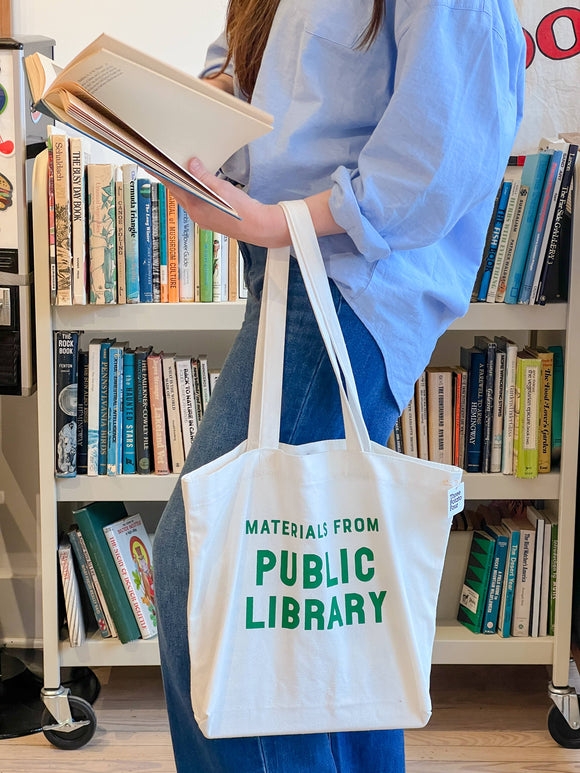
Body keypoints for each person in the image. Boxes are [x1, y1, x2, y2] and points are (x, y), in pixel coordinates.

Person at [152, 0, 526, 769]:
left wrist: (270, 221)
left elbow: (435, 163)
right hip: (296, 277)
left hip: (346, 291)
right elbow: (240, 67)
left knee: (212, 575)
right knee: (318, 600)